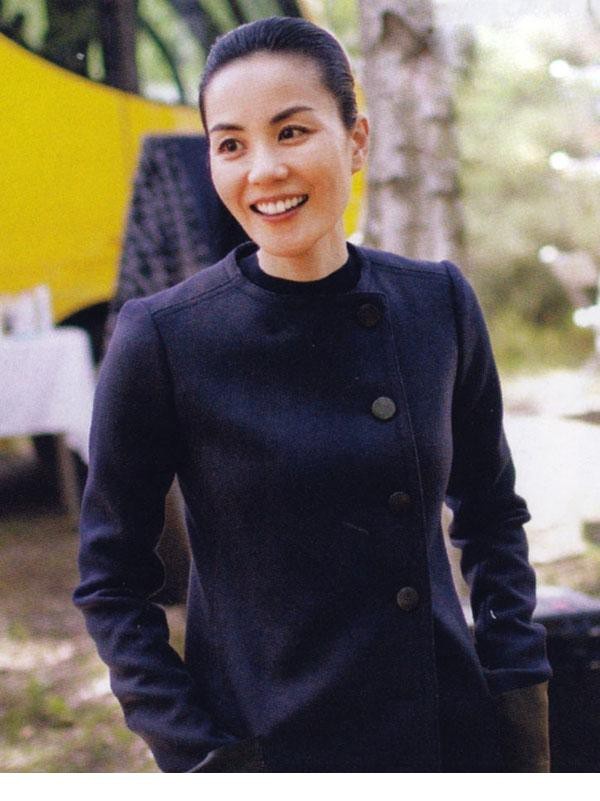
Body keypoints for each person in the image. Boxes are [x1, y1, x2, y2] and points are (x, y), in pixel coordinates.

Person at [74, 16, 552, 773]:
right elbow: (111, 582)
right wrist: (199, 755)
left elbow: (492, 517)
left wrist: (517, 697)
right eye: (231, 144)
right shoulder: (164, 337)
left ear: (356, 140)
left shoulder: (437, 303)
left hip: (448, 738)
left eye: (291, 132)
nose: (263, 170)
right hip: (271, 751)